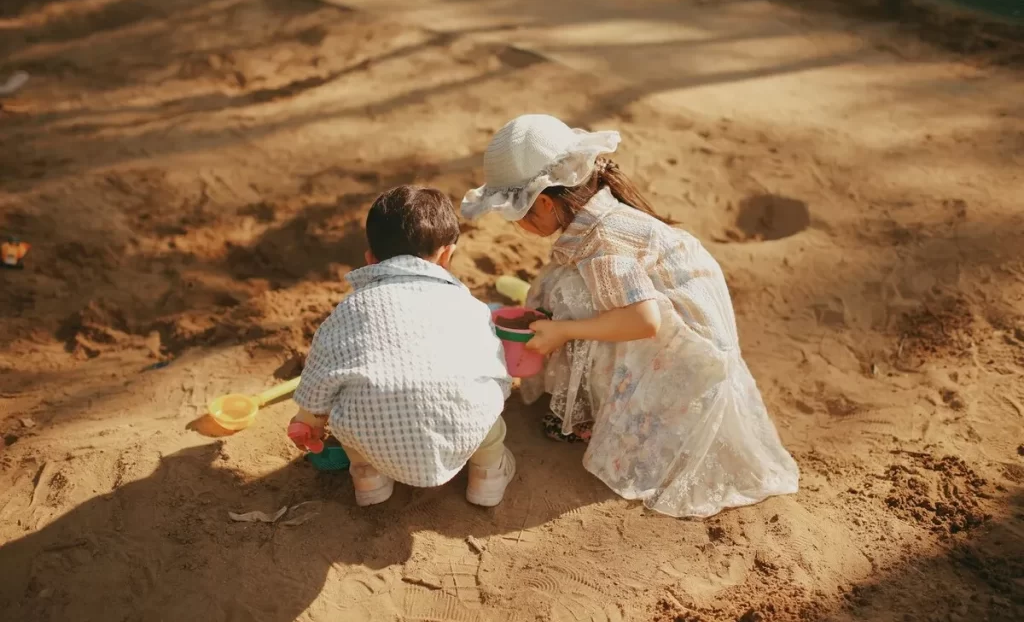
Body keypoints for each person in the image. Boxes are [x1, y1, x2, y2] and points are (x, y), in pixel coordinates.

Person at [461, 115, 799, 518]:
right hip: (667, 323)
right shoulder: (593, 216)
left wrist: (564, 331)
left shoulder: (604, 241)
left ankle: (600, 416)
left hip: (687, 354)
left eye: (517, 214)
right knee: (568, 288)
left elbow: (646, 322)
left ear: (546, 204)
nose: (516, 226)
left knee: (574, 300)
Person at [289, 185, 515, 507]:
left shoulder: (352, 308)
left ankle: (368, 478)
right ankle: (487, 480)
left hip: (373, 435)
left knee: (350, 421)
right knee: (488, 418)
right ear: (446, 255)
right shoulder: (469, 307)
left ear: (370, 258)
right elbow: (496, 373)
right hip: (461, 427)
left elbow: (321, 372)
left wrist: (307, 422)